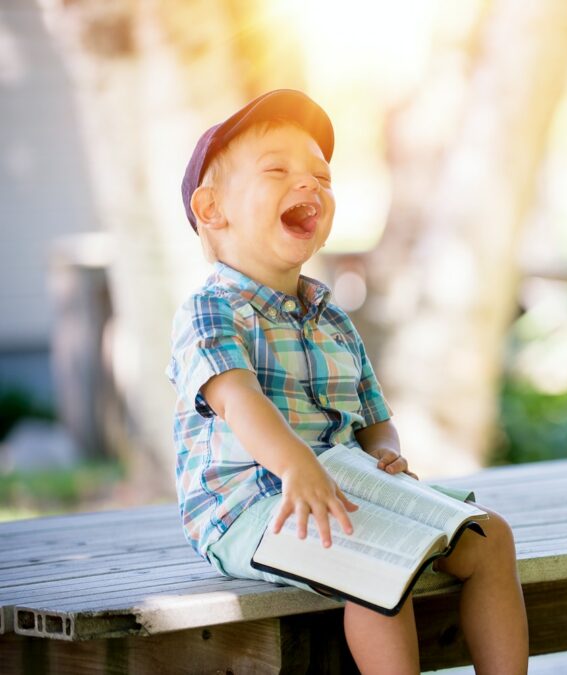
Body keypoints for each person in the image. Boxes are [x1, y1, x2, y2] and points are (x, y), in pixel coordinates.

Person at [166, 89, 528, 674]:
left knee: (491, 540)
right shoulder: (210, 311)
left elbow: (372, 414)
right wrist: (296, 465)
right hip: (250, 506)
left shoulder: (330, 315)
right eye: (278, 170)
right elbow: (238, 399)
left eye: (321, 175)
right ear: (212, 209)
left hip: (340, 482)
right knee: (380, 563)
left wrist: (386, 451)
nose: (309, 184)